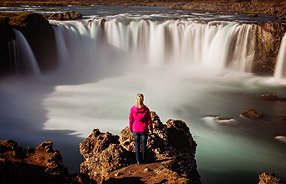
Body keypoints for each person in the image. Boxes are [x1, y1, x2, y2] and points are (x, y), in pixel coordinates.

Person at [129, 93, 153, 164]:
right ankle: (144, 160)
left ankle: (138, 161)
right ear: (143, 99)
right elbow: (149, 120)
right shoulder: (146, 109)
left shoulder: (133, 109)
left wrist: (130, 128)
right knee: (143, 145)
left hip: (135, 129)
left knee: (137, 145)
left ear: (136, 99)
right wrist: (151, 128)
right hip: (144, 129)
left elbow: (130, 119)